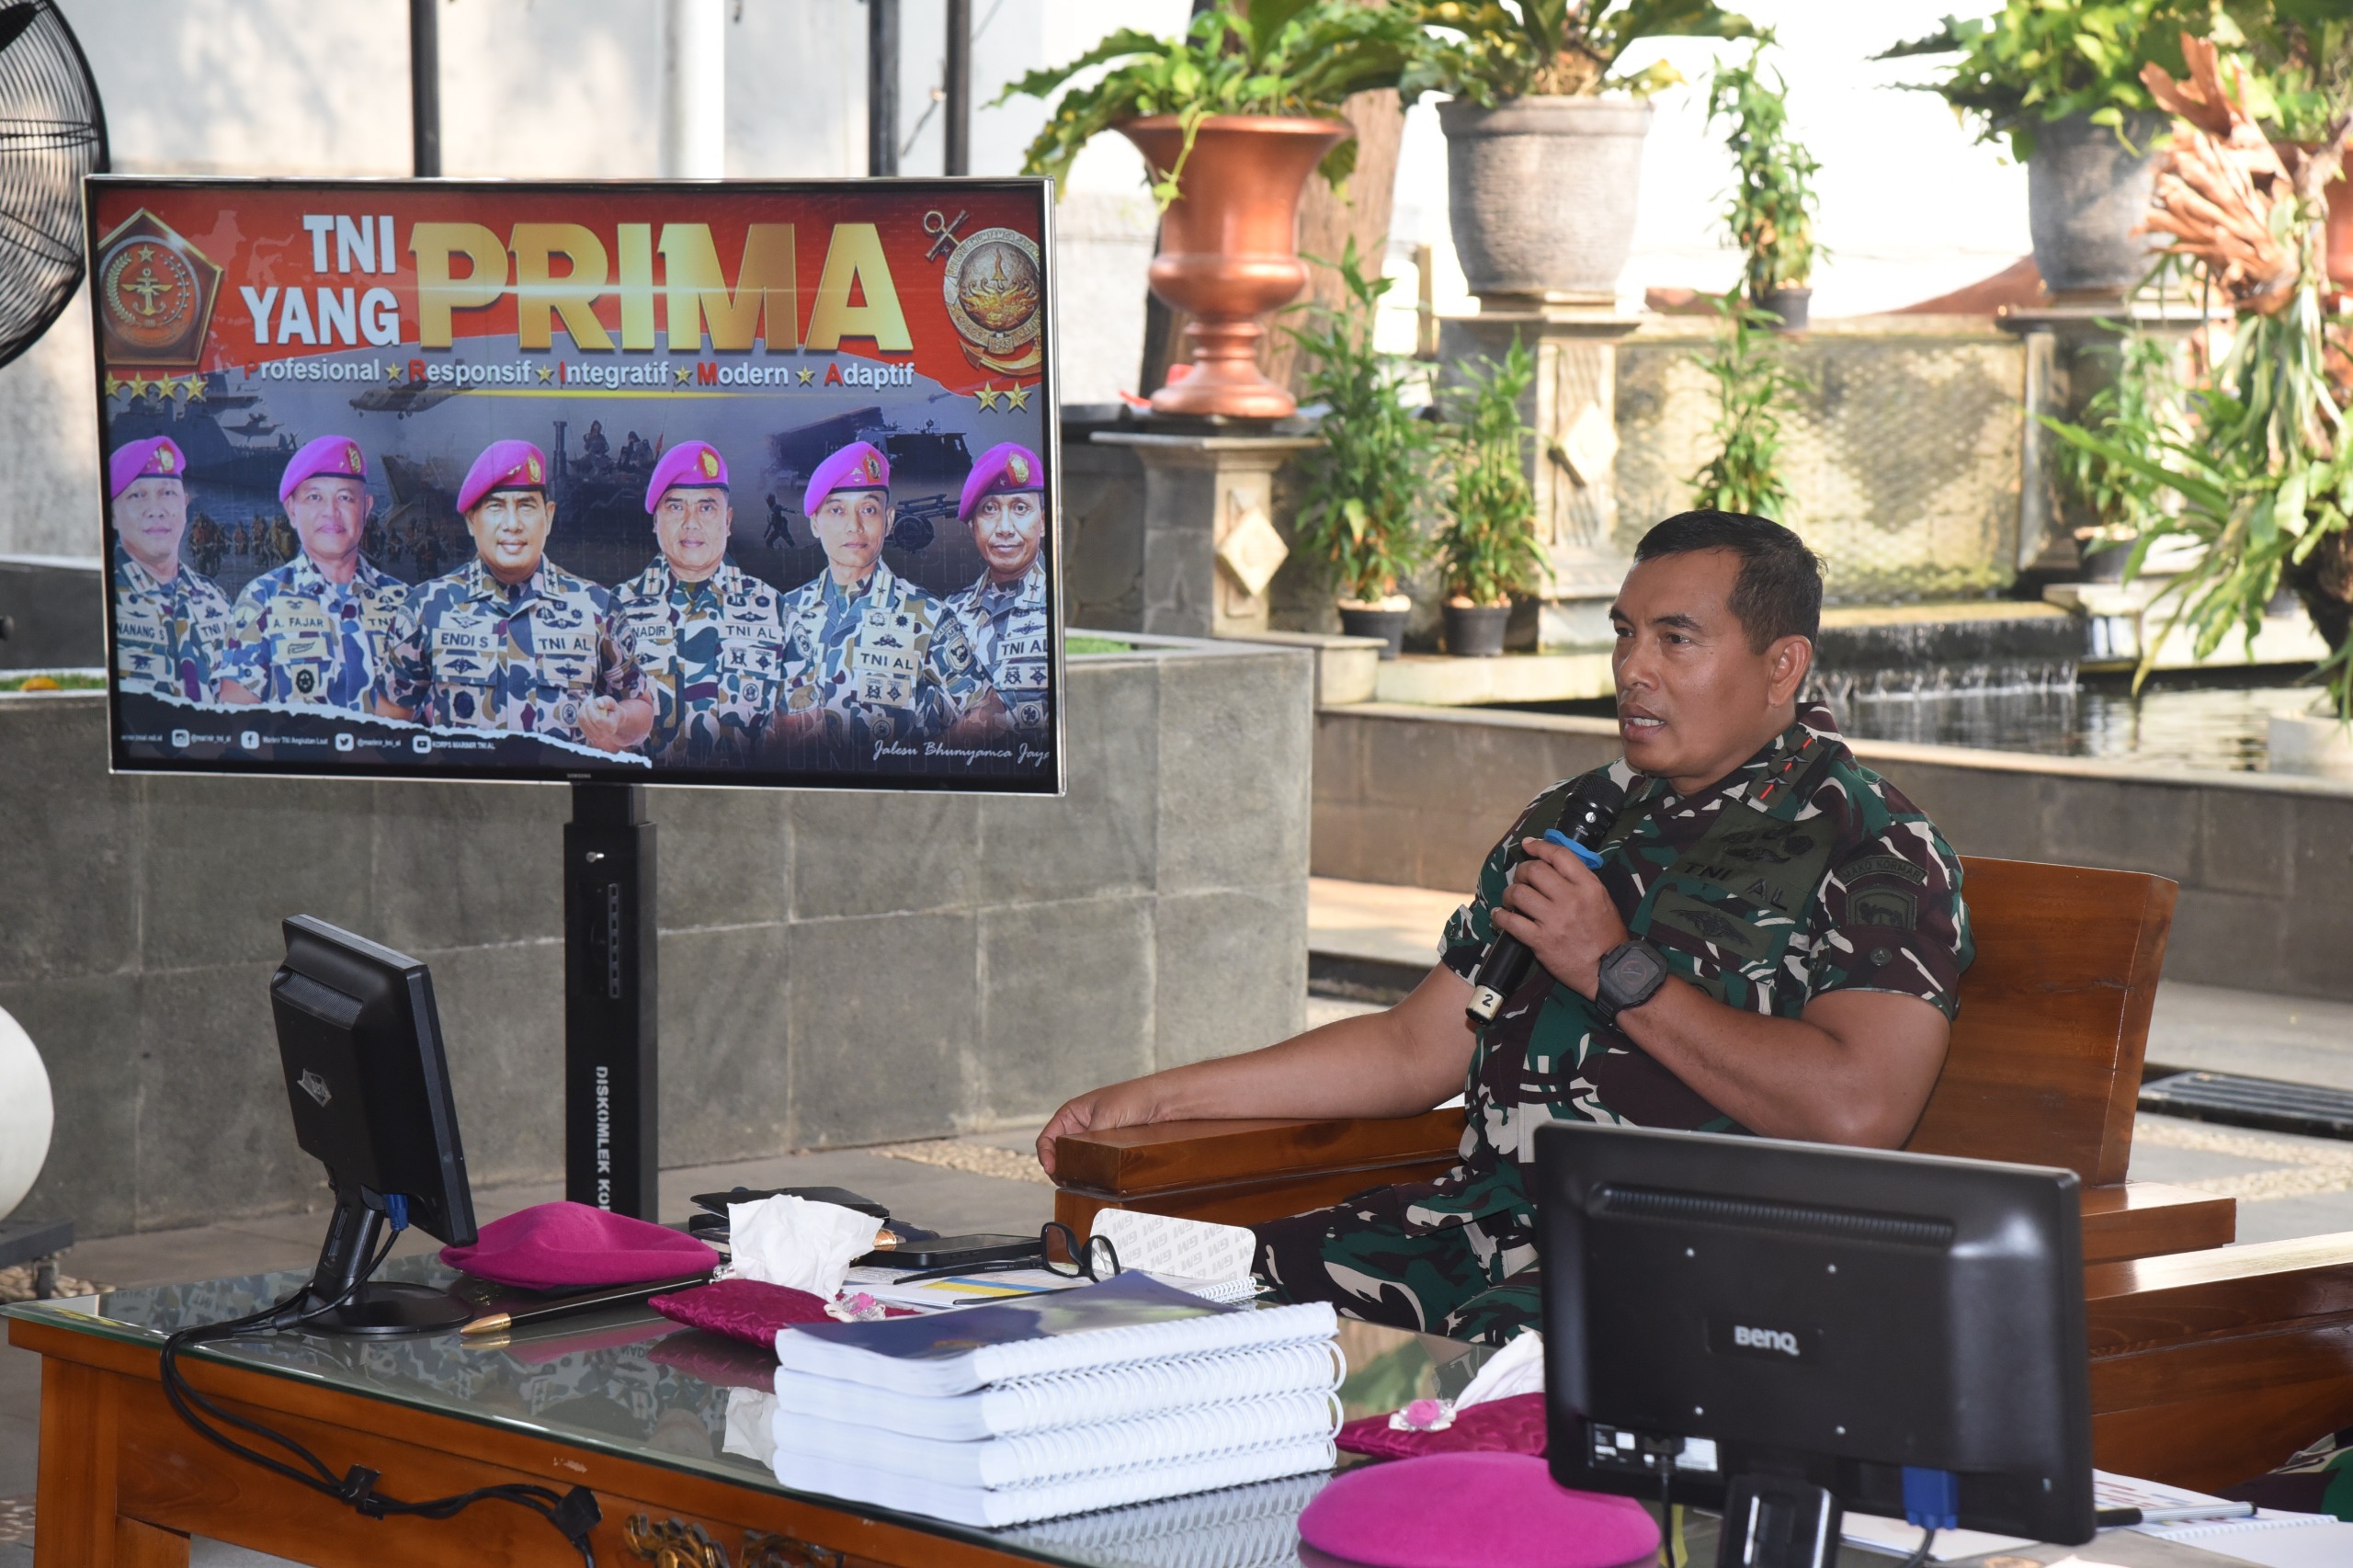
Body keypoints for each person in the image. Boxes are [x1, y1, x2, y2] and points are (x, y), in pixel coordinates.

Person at [1034, 511, 1974, 1344]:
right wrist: (1159, 1099)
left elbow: (1856, 1111)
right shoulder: (1579, 815)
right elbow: (1415, 1047)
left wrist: (1612, 967)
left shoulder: (1872, 845)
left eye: (1675, 639)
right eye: (1624, 633)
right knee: (1158, 1312)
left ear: (1782, 666)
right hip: (1468, 1238)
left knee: (1447, 1383)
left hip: (1682, 1274)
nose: (1633, 669)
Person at [373, 438, 654, 754]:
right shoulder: (426, 607)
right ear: (471, 520)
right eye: (495, 506)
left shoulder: (598, 607)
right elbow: (390, 724)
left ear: (548, 516)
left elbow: (641, 709)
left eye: (526, 506)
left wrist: (619, 720)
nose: (512, 524)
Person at [775, 440, 1007, 753]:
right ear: (815, 523)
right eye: (837, 510)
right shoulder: (784, 613)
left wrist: (921, 764)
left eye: (868, 509)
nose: (854, 526)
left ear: (889, 521)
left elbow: (990, 712)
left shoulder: (926, 615)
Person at [611, 440, 812, 767]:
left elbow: (803, 729)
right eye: (676, 507)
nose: (691, 522)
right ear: (655, 521)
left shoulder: (776, 611)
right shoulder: (614, 611)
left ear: (727, 521)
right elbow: (592, 731)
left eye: (706, 508)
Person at [220, 435, 407, 710]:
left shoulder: (406, 604)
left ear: (366, 508)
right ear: (292, 511)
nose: (331, 512)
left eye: (345, 497)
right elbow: (235, 720)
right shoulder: (260, 601)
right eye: (315, 497)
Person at [108, 436, 234, 703]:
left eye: (168, 493)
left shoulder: (216, 599)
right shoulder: (102, 600)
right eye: (137, 495)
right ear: (113, 515)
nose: (156, 510)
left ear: (185, 504)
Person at [943, 441, 1051, 738]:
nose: (1004, 527)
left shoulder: (1060, 606)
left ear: (1043, 522)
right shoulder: (948, 615)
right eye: (989, 509)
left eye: (1020, 508)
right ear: (972, 526)